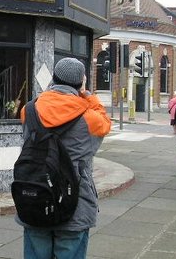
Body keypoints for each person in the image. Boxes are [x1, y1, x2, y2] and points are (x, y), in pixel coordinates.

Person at [17, 57, 111, 259]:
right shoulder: (90, 118)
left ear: (54, 79)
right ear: (81, 83)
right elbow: (105, 122)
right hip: (74, 202)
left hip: (35, 196)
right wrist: (87, 96)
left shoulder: (29, 110)